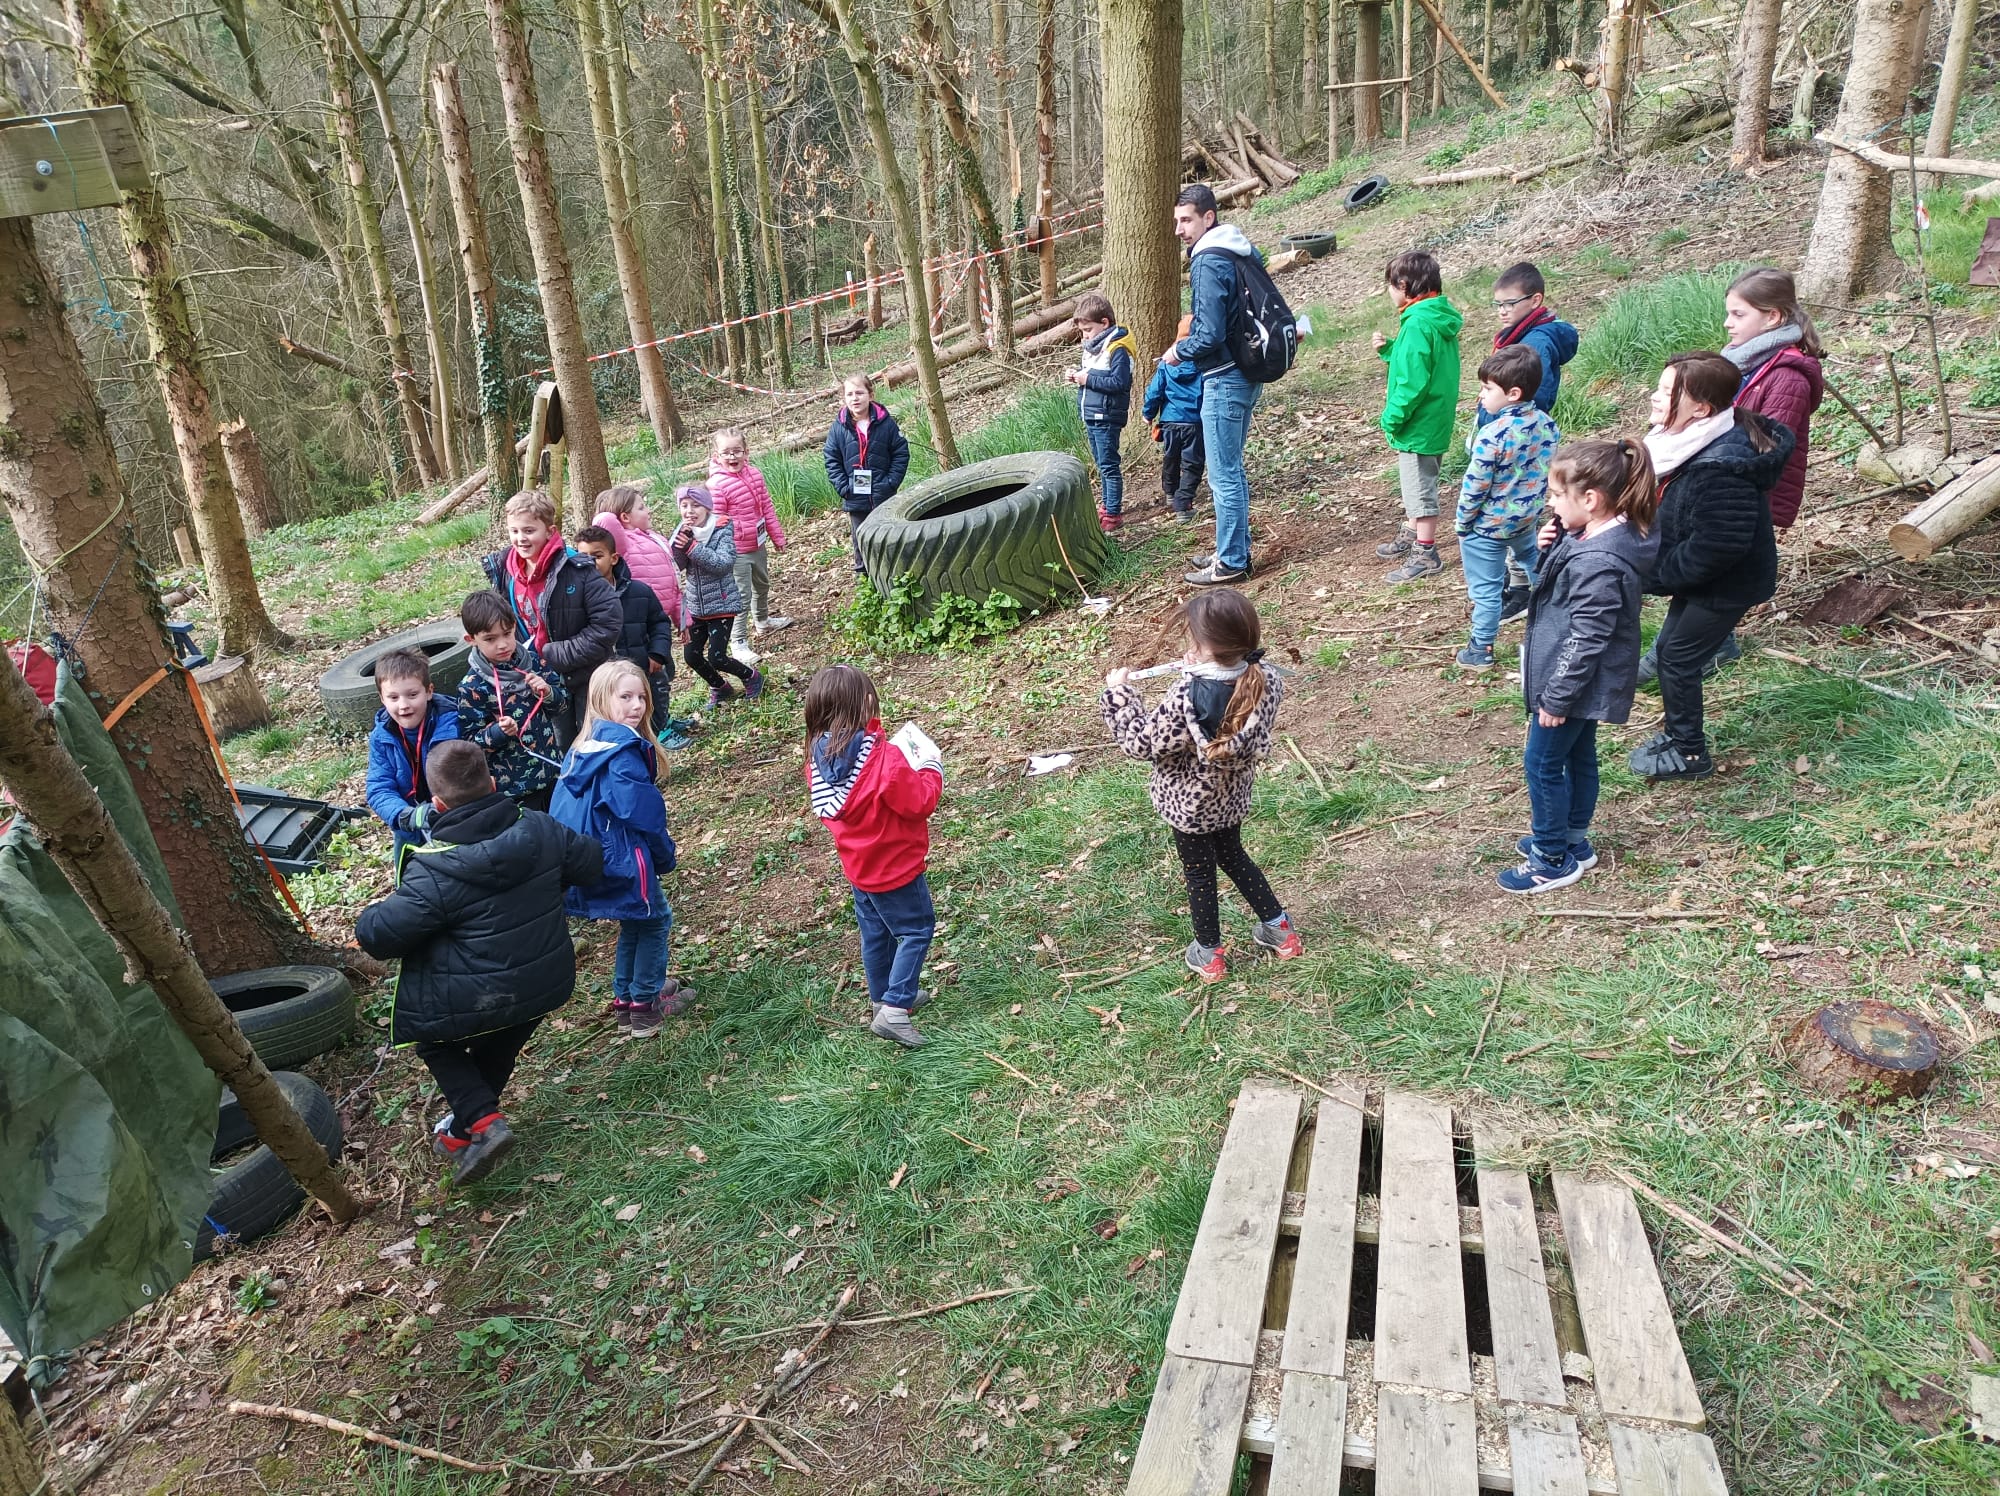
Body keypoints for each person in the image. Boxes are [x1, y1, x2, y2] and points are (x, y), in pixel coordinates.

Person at [355, 739, 604, 1185]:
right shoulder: (541, 828)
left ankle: (485, 1125)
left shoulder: (435, 870)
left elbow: (378, 937)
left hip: (481, 995)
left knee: (435, 1041)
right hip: (546, 979)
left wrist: (371, 912)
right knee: (502, 1040)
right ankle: (464, 1130)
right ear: (492, 783)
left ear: (436, 804)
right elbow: (590, 863)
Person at [1100, 589, 1303, 983]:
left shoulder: (1187, 698)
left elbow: (1140, 743)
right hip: (1230, 798)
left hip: (1190, 806)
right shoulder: (1263, 677)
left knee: (1199, 873)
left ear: (1209, 647)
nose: (1188, 646)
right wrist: (1202, 668)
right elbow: (1223, 698)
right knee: (1234, 856)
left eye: (1193, 639)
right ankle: (1281, 931)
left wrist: (1120, 694)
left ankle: (1208, 954)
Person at [1501, 439, 1660, 894]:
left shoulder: (1599, 561)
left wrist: (1557, 697)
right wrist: (1552, 547)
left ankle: (1551, 857)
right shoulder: (1596, 537)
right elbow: (1562, 588)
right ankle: (1573, 838)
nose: (1550, 504)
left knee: (1542, 763)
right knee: (1577, 755)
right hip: (1581, 679)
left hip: (1572, 681)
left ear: (1590, 499)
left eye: (1556, 495)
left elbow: (1588, 636)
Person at [1629, 352, 1790, 782]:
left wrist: (1657, 576)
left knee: (1677, 659)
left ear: (1701, 409)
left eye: (1667, 392)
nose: (1655, 397)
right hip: (1703, 581)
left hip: (1726, 585)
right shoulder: (1687, 441)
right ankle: (1677, 736)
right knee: (1670, 651)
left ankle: (1689, 753)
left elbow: (1718, 546)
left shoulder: (1720, 468)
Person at [804, 664, 943, 1050]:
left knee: (876, 934)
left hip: (859, 867)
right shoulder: (884, 759)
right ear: (867, 702)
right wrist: (931, 768)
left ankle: (884, 995)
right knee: (916, 930)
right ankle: (895, 1009)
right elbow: (920, 802)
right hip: (896, 866)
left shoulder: (817, 763)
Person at [551, 660, 690, 1036]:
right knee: (655, 919)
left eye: (641, 697)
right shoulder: (622, 753)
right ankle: (646, 1004)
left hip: (599, 855)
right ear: (600, 700)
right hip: (627, 857)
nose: (637, 706)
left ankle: (628, 998)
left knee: (635, 921)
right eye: (625, 697)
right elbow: (643, 815)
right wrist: (664, 855)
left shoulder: (585, 747)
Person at [1165, 184, 1265, 586]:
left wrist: (1178, 351)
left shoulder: (1207, 260)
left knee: (1222, 475)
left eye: (1186, 220)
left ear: (1209, 217)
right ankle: (1232, 548)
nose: (1179, 230)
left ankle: (1231, 561)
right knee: (1231, 470)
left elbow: (1208, 334)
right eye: (1177, 221)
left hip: (1224, 377)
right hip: (1247, 370)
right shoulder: (1240, 249)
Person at [480, 489, 621, 745]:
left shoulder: (577, 569)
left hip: (586, 674)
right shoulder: (505, 571)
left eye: (529, 530)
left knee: (595, 740)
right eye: (514, 531)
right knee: (560, 743)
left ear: (549, 531)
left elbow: (607, 624)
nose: (520, 538)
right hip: (538, 677)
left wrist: (553, 653)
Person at [1455, 345, 1560, 668]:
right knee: (1536, 566)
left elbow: (1475, 486)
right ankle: (1558, 619)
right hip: (1526, 520)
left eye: (1487, 388)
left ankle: (1481, 649)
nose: (1481, 395)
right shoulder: (1547, 424)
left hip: (1486, 528)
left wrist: (1463, 523)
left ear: (1513, 394)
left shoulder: (1492, 434)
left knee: (1486, 591)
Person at [1374, 249, 1464, 582]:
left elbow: (1412, 383)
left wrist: (1391, 418)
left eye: (1390, 285)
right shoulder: (1435, 316)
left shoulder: (1416, 325)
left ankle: (1426, 553)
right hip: (1436, 417)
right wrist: (1390, 349)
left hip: (1417, 423)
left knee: (1419, 489)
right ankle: (1412, 532)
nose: (1389, 292)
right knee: (1422, 479)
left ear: (1403, 285)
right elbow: (1424, 361)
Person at [455, 590, 567, 811]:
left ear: (515, 626)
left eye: (507, 634)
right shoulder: (472, 686)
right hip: (514, 791)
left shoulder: (533, 662)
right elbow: (470, 744)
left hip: (553, 773)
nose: (502, 645)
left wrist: (548, 693)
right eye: (490, 639)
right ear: (471, 640)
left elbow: (562, 705)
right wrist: (498, 732)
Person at [573, 525, 679, 731]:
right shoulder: (574, 598)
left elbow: (659, 622)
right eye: (583, 557)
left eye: (597, 556)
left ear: (613, 558)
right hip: (601, 679)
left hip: (640, 671)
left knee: (647, 723)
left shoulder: (639, 591)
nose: (590, 562)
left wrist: (657, 654)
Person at [365, 647, 462, 867]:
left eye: (412, 695)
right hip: (410, 825)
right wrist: (404, 815)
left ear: (429, 691)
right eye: (393, 697)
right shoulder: (381, 737)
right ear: (382, 699)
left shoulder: (452, 723)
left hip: (454, 820)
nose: (403, 705)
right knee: (406, 879)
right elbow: (378, 787)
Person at [670, 485, 762, 708]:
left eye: (695, 505)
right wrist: (679, 547)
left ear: (707, 508)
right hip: (696, 606)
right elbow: (678, 566)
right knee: (691, 656)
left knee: (717, 657)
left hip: (721, 603)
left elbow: (723, 564)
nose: (689, 511)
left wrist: (692, 547)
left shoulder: (721, 529)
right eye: (684, 506)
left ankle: (751, 676)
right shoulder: (684, 531)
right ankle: (720, 687)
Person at [705, 427, 791, 663]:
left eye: (737, 451)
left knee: (762, 584)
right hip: (736, 551)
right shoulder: (716, 485)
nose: (732, 457)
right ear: (717, 456)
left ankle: (762, 620)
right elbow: (716, 522)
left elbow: (766, 507)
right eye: (726, 453)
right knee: (741, 595)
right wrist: (722, 551)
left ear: (746, 452)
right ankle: (738, 642)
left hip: (758, 543)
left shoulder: (754, 475)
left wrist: (777, 536)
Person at [822, 372, 911, 574]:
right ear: (844, 398)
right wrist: (845, 488)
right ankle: (865, 581)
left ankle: (894, 577)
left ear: (870, 395)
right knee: (861, 542)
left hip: (883, 495)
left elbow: (901, 453)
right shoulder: (838, 428)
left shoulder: (886, 423)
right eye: (850, 394)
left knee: (888, 539)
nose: (855, 398)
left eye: (859, 393)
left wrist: (890, 482)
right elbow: (831, 459)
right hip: (856, 497)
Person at [1065, 292, 1137, 533]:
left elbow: (1119, 382)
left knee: (1109, 466)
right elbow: (1092, 376)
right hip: (1092, 415)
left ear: (1104, 323)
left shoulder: (1118, 349)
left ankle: (1113, 513)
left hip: (1107, 416)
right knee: (1101, 463)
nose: (1085, 335)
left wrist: (1088, 379)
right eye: (1082, 331)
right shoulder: (1093, 348)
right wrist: (1076, 375)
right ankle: (1106, 506)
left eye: (1088, 330)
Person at [1478, 262, 1578, 428]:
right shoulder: (1521, 333)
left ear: (1535, 300)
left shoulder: (1535, 345)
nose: (1502, 311)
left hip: (1510, 433)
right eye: (1498, 304)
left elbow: (1535, 399)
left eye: (1510, 303)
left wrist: (1492, 424)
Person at [1143, 313, 1206, 522]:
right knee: (1192, 465)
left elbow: (1155, 391)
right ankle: (1183, 505)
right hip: (1194, 422)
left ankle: (1170, 492)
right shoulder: (1204, 363)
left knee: (1171, 458)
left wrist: (1148, 413)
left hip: (1170, 422)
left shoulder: (1167, 363)